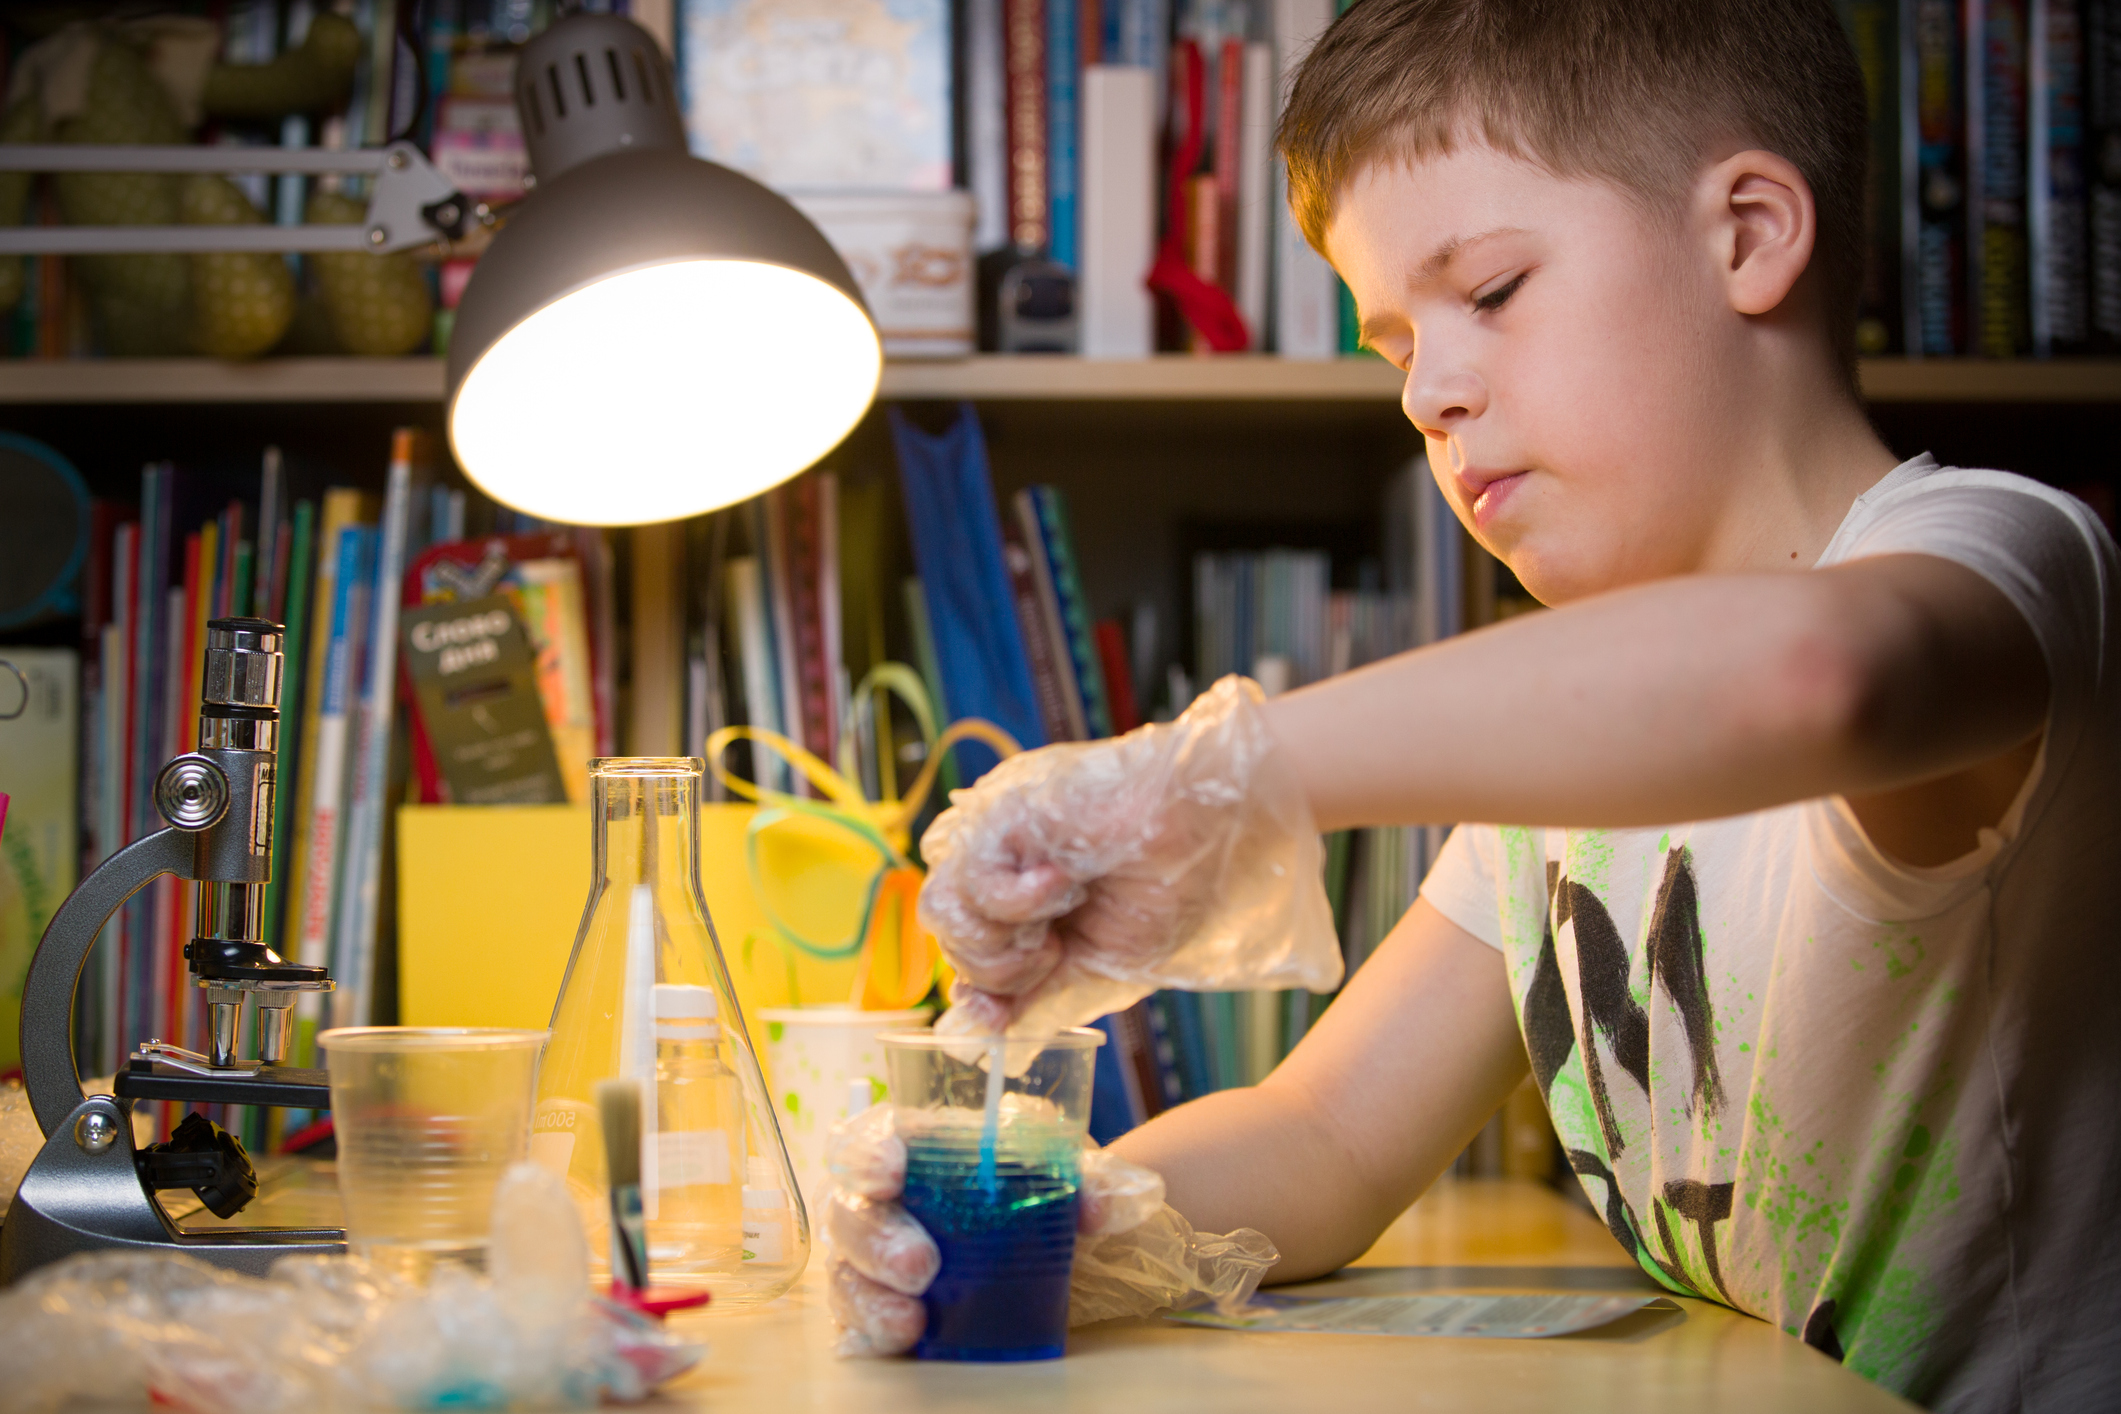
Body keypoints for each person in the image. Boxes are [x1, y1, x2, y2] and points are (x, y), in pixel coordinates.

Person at [822, 0, 2121, 1407]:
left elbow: (1816, 675)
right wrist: (1056, 1214)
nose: (1428, 394)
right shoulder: (1568, 752)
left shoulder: (2004, 553)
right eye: (1392, 346)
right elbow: (1325, 1137)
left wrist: (1224, 775)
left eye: (1490, 291)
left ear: (1745, 233)